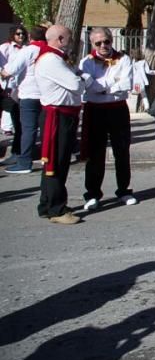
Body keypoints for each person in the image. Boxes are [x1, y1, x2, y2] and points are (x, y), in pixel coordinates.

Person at [35, 25, 89, 224]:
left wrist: (79, 79)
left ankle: (47, 203)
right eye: (69, 37)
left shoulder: (57, 58)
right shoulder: (51, 59)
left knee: (58, 161)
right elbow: (76, 85)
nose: (72, 40)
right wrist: (83, 81)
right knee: (55, 162)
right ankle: (56, 208)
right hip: (57, 116)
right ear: (60, 39)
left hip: (65, 114)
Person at [79, 27, 136, 210]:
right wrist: (112, 83)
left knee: (122, 151)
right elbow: (89, 87)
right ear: (92, 44)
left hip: (118, 109)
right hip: (95, 110)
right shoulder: (86, 63)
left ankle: (124, 190)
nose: (103, 46)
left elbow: (126, 84)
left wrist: (101, 86)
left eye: (107, 41)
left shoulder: (124, 59)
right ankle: (93, 193)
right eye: (98, 43)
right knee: (95, 153)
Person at [2, 26, 46, 173]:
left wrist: (3, 73)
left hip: (29, 93)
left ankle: (24, 162)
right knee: (46, 129)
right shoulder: (50, 50)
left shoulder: (28, 50)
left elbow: (11, 69)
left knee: (28, 129)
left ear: (30, 37)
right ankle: (48, 159)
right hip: (47, 95)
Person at [0, 26, 27, 158]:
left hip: (21, 83)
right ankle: (6, 127)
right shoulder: (5, 48)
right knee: (8, 106)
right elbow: (3, 65)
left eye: (23, 34)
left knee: (16, 109)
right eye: (18, 34)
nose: (21, 36)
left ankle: (15, 131)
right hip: (7, 81)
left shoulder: (27, 49)